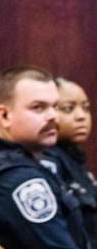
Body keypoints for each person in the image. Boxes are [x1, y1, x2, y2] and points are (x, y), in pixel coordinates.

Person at [0, 66, 89, 248]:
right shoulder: (18, 181)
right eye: (38, 107)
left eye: (55, 106)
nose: (53, 116)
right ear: (5, 115)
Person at [43, 77, 97, 247]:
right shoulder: (47, 161)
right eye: (68, 109)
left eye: (86, 108)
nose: (81, 116)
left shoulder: (74, 156)